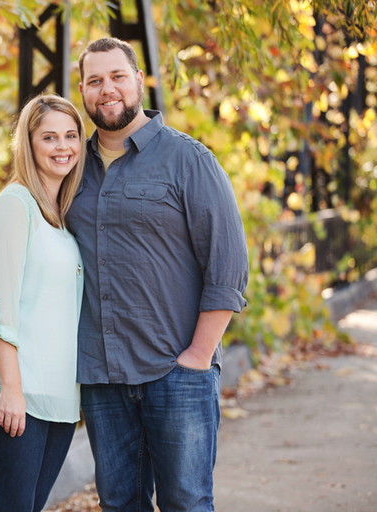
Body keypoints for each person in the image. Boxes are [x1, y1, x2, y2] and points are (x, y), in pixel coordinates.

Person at [66, 38, 250, 512]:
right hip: (103, 374)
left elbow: (228, 265)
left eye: (117, 76)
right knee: (118, 503)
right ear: (82, 91)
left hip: (176, 369)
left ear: (139, 81)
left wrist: (198, 356)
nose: (107, 89)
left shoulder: (188, 160)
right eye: (94, 81)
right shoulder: (70, 169)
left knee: (186, 502)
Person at [0, 94, 87, 512]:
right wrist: (12, 390)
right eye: (49, 137)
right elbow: (0, 306)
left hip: (57, 397)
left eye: (71, 135)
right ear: (28, 143)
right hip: (16, 393)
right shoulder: (15, 204)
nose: (62, 146)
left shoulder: (61, 215)